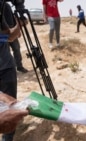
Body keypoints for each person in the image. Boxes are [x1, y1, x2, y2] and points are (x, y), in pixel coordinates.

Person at [0, 2, 24, 140]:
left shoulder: (3, 6)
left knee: (9, 107)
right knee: (8, 107)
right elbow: (10, 36)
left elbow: (9, 36)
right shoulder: (3, 5)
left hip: (6, 67)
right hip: (6, 67)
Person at [5, 3, 28, 73]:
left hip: (12, 30)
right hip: (3, 34)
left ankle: (19, 66)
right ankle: (9, 70)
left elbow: (13, 18)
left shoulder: (7, 5)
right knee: (6, 52)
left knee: (17, 49)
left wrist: (18, 30)